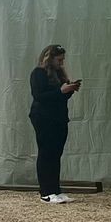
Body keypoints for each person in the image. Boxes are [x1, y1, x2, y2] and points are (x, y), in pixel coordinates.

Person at [29, 44, 82, 204]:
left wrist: (70, 89)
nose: (61, 63)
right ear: (49, 59)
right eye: (59, 60)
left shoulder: (58, 74)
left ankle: (55, 190)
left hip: (59, 117)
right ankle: (46, 192)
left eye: (62, 60)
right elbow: (39, 96)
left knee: (56, 154)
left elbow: (60, 97)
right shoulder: (38, 73)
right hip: (43, 118)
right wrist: (60, 91)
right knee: (46, 153)